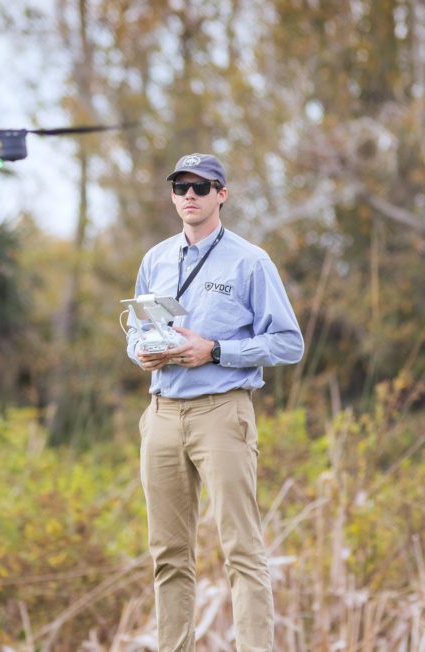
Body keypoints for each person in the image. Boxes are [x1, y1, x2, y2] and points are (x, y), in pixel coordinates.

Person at [125, 153, 304, 651]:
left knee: (242, 550)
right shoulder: (155, 258)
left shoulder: (250, 260)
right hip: (161, 414)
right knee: (168, 554)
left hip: (222, 412)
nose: (189, 195)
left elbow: (290, 343)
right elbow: (136, 329)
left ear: (221, 195)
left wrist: (217, 350)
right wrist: (140, 351)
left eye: (201, 187)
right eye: (181, 186)